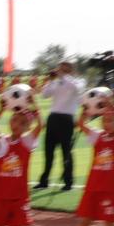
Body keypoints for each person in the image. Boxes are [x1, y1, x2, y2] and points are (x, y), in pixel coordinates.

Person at [37, 61, 83, 190]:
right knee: (48, 151)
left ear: (70, 68)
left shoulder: (76, 81)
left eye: (63, 67)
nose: (60, 69)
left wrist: (64, 76)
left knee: (66, 151)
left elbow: (77, 89)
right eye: (60, 66)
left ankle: (68, 182)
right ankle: (44, 180)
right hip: (53, 117)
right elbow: (45, 95)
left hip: (66, 118)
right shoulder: (56, 81)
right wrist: (51, 80)